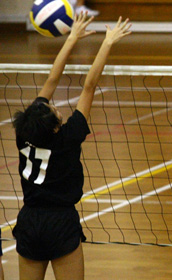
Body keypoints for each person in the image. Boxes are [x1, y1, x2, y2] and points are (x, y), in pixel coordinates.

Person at [12, 13, 131, 280]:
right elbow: (89, 86)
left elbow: (52, 80)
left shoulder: (25, 132)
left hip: (29, 220)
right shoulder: (69, 138)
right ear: (55, 126)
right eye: (53, 109)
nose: (54, 104)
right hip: (61, 222)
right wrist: (107, 42)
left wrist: (73, 37)